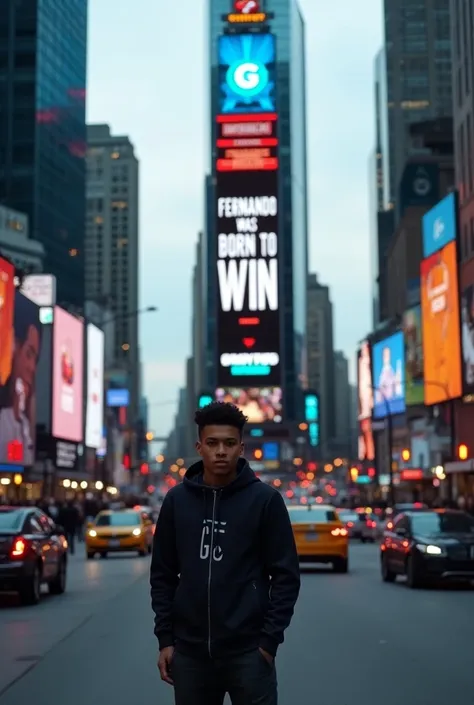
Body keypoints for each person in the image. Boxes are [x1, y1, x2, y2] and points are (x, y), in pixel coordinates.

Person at [150, 401, 300, 705]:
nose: (221, 451)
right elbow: (162, 576)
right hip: (190, 654)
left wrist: (268, 642)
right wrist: (166, 640)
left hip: (249, 654)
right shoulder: (176, 502)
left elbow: (286, 576)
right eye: (213, 443)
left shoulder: (265, 501)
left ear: (241, 448)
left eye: (230, 443)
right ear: (199, 447)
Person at [0, 294, 41, 466]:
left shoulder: (23, 422)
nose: (32, 367)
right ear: (14, 347)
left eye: (35, 359)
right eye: (29, 354)